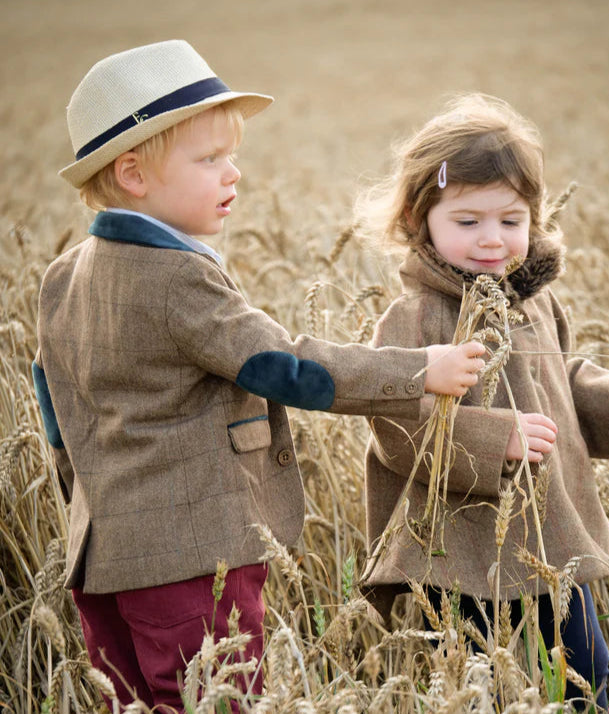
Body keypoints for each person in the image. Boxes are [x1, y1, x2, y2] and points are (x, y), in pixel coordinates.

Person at [31, 41, 486, 713]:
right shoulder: (178, 275)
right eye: (210, 159)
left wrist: (96, 508)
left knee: (133, 704)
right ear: (133, 173)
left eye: (231, 156)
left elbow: (55, 413)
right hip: (195, 563)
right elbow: (281, 366)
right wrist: (417, 370)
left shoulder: (63, 273)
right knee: (219, 701)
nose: (233, 174)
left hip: (100, 557)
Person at [357, 93, 609, 711]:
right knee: (477, 687)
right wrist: (493, 440)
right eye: (468, 222)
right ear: (417, 217)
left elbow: (560, 379)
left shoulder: (535, 302)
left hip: (550, 539)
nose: (492, 240)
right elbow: (396, 427)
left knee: (587, 677)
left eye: (511, 220)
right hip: (459, 552)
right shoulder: (417, 316)